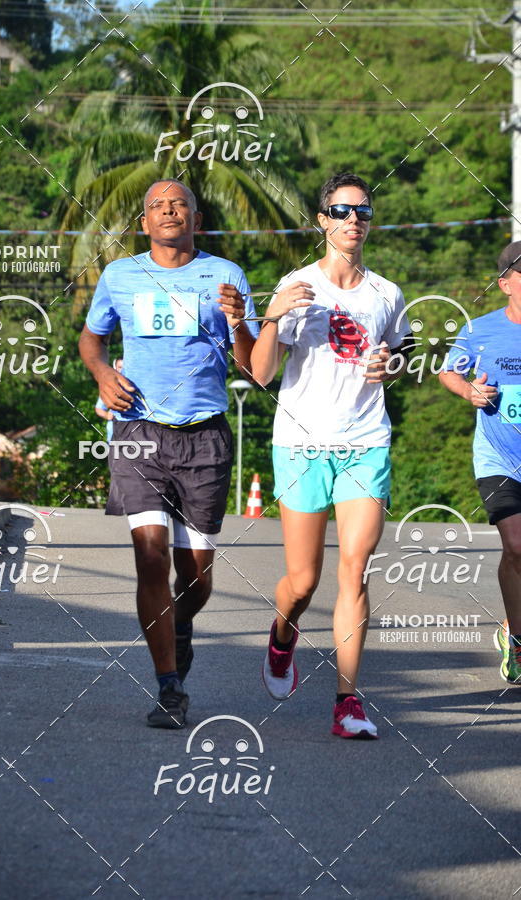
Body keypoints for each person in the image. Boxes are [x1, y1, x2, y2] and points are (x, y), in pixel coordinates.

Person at [79, 179, 258, 729]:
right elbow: (92, 338)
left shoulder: (226, 276)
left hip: (203, 436)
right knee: (150, 556)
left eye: (179, 203)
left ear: (197, 220)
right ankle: (168, 686)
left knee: (197, 577)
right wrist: (103, 372)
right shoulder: (120, 275)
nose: (168, 210)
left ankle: (177, 628)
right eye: (156, 204)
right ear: (144, 223)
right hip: (137, 432)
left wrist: (239, 324)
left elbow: (251, 366)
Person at [250, 172, 410, 739]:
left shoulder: (387, 293)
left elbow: (400, 352)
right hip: (301, 443)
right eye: (342, 211)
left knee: (356, 571)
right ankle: (282, 637)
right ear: (322, 220)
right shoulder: (298, 285)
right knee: (302, 579)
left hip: (365, 441)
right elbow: (262, 373)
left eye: (363, 212)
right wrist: (271, 315)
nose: (353, 221)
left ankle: (347, 702)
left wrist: (389, 364)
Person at [439, 241, 521, 684]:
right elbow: (448, 371)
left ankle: (513, 626)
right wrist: (470, 391)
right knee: (517, 546)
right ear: (505, 282)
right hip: (499, 457)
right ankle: (520, 645)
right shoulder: (481, 331)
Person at [95, 358, 123, 441]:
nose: (122, 370)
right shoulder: (109, 386)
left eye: (124, 367)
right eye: (120, 367)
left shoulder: (134, 386)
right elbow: (99, 408)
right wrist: (108, 415)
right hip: (114, 430)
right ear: (115, 368)